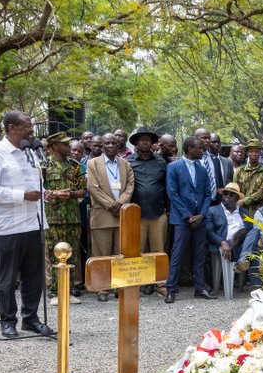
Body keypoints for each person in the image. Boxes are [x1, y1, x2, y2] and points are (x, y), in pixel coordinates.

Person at [0, 110, 52, 338]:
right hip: (8, 226)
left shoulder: (31, 153)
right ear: (12, 128)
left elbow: (35, 186)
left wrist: (46, 193)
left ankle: (30, 319)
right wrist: (22, 195)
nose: (31, 131)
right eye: (27, 126)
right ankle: (8, 321)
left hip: (35, 222)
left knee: (34, 277)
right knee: (8, 277)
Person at [164, 136, 215, 304]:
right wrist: (188, 216)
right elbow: (173, 193)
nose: (203, 150)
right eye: (200, 147)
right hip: (182, 219)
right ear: (189, 149)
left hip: (200, 219)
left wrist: (201, 215)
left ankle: (200, 288)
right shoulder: (173, 167)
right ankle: (170, 289)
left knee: (200, 255)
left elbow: (208, 194)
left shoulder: (202, 168)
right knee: (177, 254)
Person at [86, 133, 134, 300]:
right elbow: (93, 187)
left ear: (119, 144)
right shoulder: (92, 163)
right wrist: (110, 204)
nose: (111, 145)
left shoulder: (125, 164)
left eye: (114, 142)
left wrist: (120, 203)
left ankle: (117, 287)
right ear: (103, 146)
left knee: (119, 253)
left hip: (122, 215)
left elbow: (130, 185)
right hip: (102, 214)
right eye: (107, 143)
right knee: (102, 254)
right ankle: (102, 288)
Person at [41, 132, 86, 304]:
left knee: (71, 255)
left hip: (72, 217)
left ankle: (68, 291)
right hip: (53, 218)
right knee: (54, 255)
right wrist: (54, 194)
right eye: (65, 144)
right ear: (54, 147)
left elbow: (83, 189)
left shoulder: (75, 165)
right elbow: (39, 189)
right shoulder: (44, 165)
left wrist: (72, 194)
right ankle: (54, 293)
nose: (69, 147)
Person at [127, 127, 168, 296]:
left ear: (152, 143)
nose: (145, 142)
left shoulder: (161, 163)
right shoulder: (128, 162)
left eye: (148, 139)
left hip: (158, 212)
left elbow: (167, 187)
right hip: (136, 214)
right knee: (137, 252)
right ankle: (137, 285)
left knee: (159, 251)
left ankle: (161, 285)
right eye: (141, 139)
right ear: (136, 143)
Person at [207, 182, 252, 285]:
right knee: (243, 235)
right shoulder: (212, 210)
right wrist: (222, 242)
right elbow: (209, 231)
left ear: (237, 199)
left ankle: (243, 261)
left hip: (241, 243)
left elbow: (249, 228)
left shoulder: (243, 211)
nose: (227, 196)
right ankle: (241, 260)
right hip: (222, 244)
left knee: (254, 231)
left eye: (231, 195)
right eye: (226, 194)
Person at [235, 138, 263, 210]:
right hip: (242, 208)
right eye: (251, 151)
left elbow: (262, 192)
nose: (254, 154)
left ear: (260, 153)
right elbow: (235, 189)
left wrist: (245, 201)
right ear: (247, 153)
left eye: (256, 151)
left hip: (259, 209)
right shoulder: (239, 170)